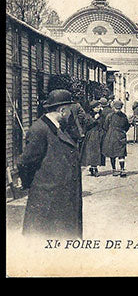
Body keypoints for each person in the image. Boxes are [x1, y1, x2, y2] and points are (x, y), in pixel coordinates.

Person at [16, 89, 83, 238]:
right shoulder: (40, 129)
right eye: (70, 111)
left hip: (59, 200)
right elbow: (25, 162)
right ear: (63, 110)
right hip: (47, 200)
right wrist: (36, 185)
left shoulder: (58, 128)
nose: (71, 115)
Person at [102, 99, 130, 177]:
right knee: (121, 154)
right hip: (121, 135)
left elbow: (105, 126)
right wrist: (123, 131)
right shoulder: (124, 116)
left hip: (111, 136)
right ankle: (122, 169)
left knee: (112, 154)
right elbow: (127, 126)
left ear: (114, 107)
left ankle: (114, 170)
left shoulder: (110, 116)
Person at [81, 100, 105, 176]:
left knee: (98, 151)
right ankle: (94, 168)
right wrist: (94, 119)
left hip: (99, 134)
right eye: (97, 107)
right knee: (93, 151)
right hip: (91, 135)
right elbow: (87, 125)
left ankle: (94, 166)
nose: (98, 109)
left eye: (99, 107)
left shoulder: (101, 115)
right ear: (92, 108)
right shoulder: (88, 115)